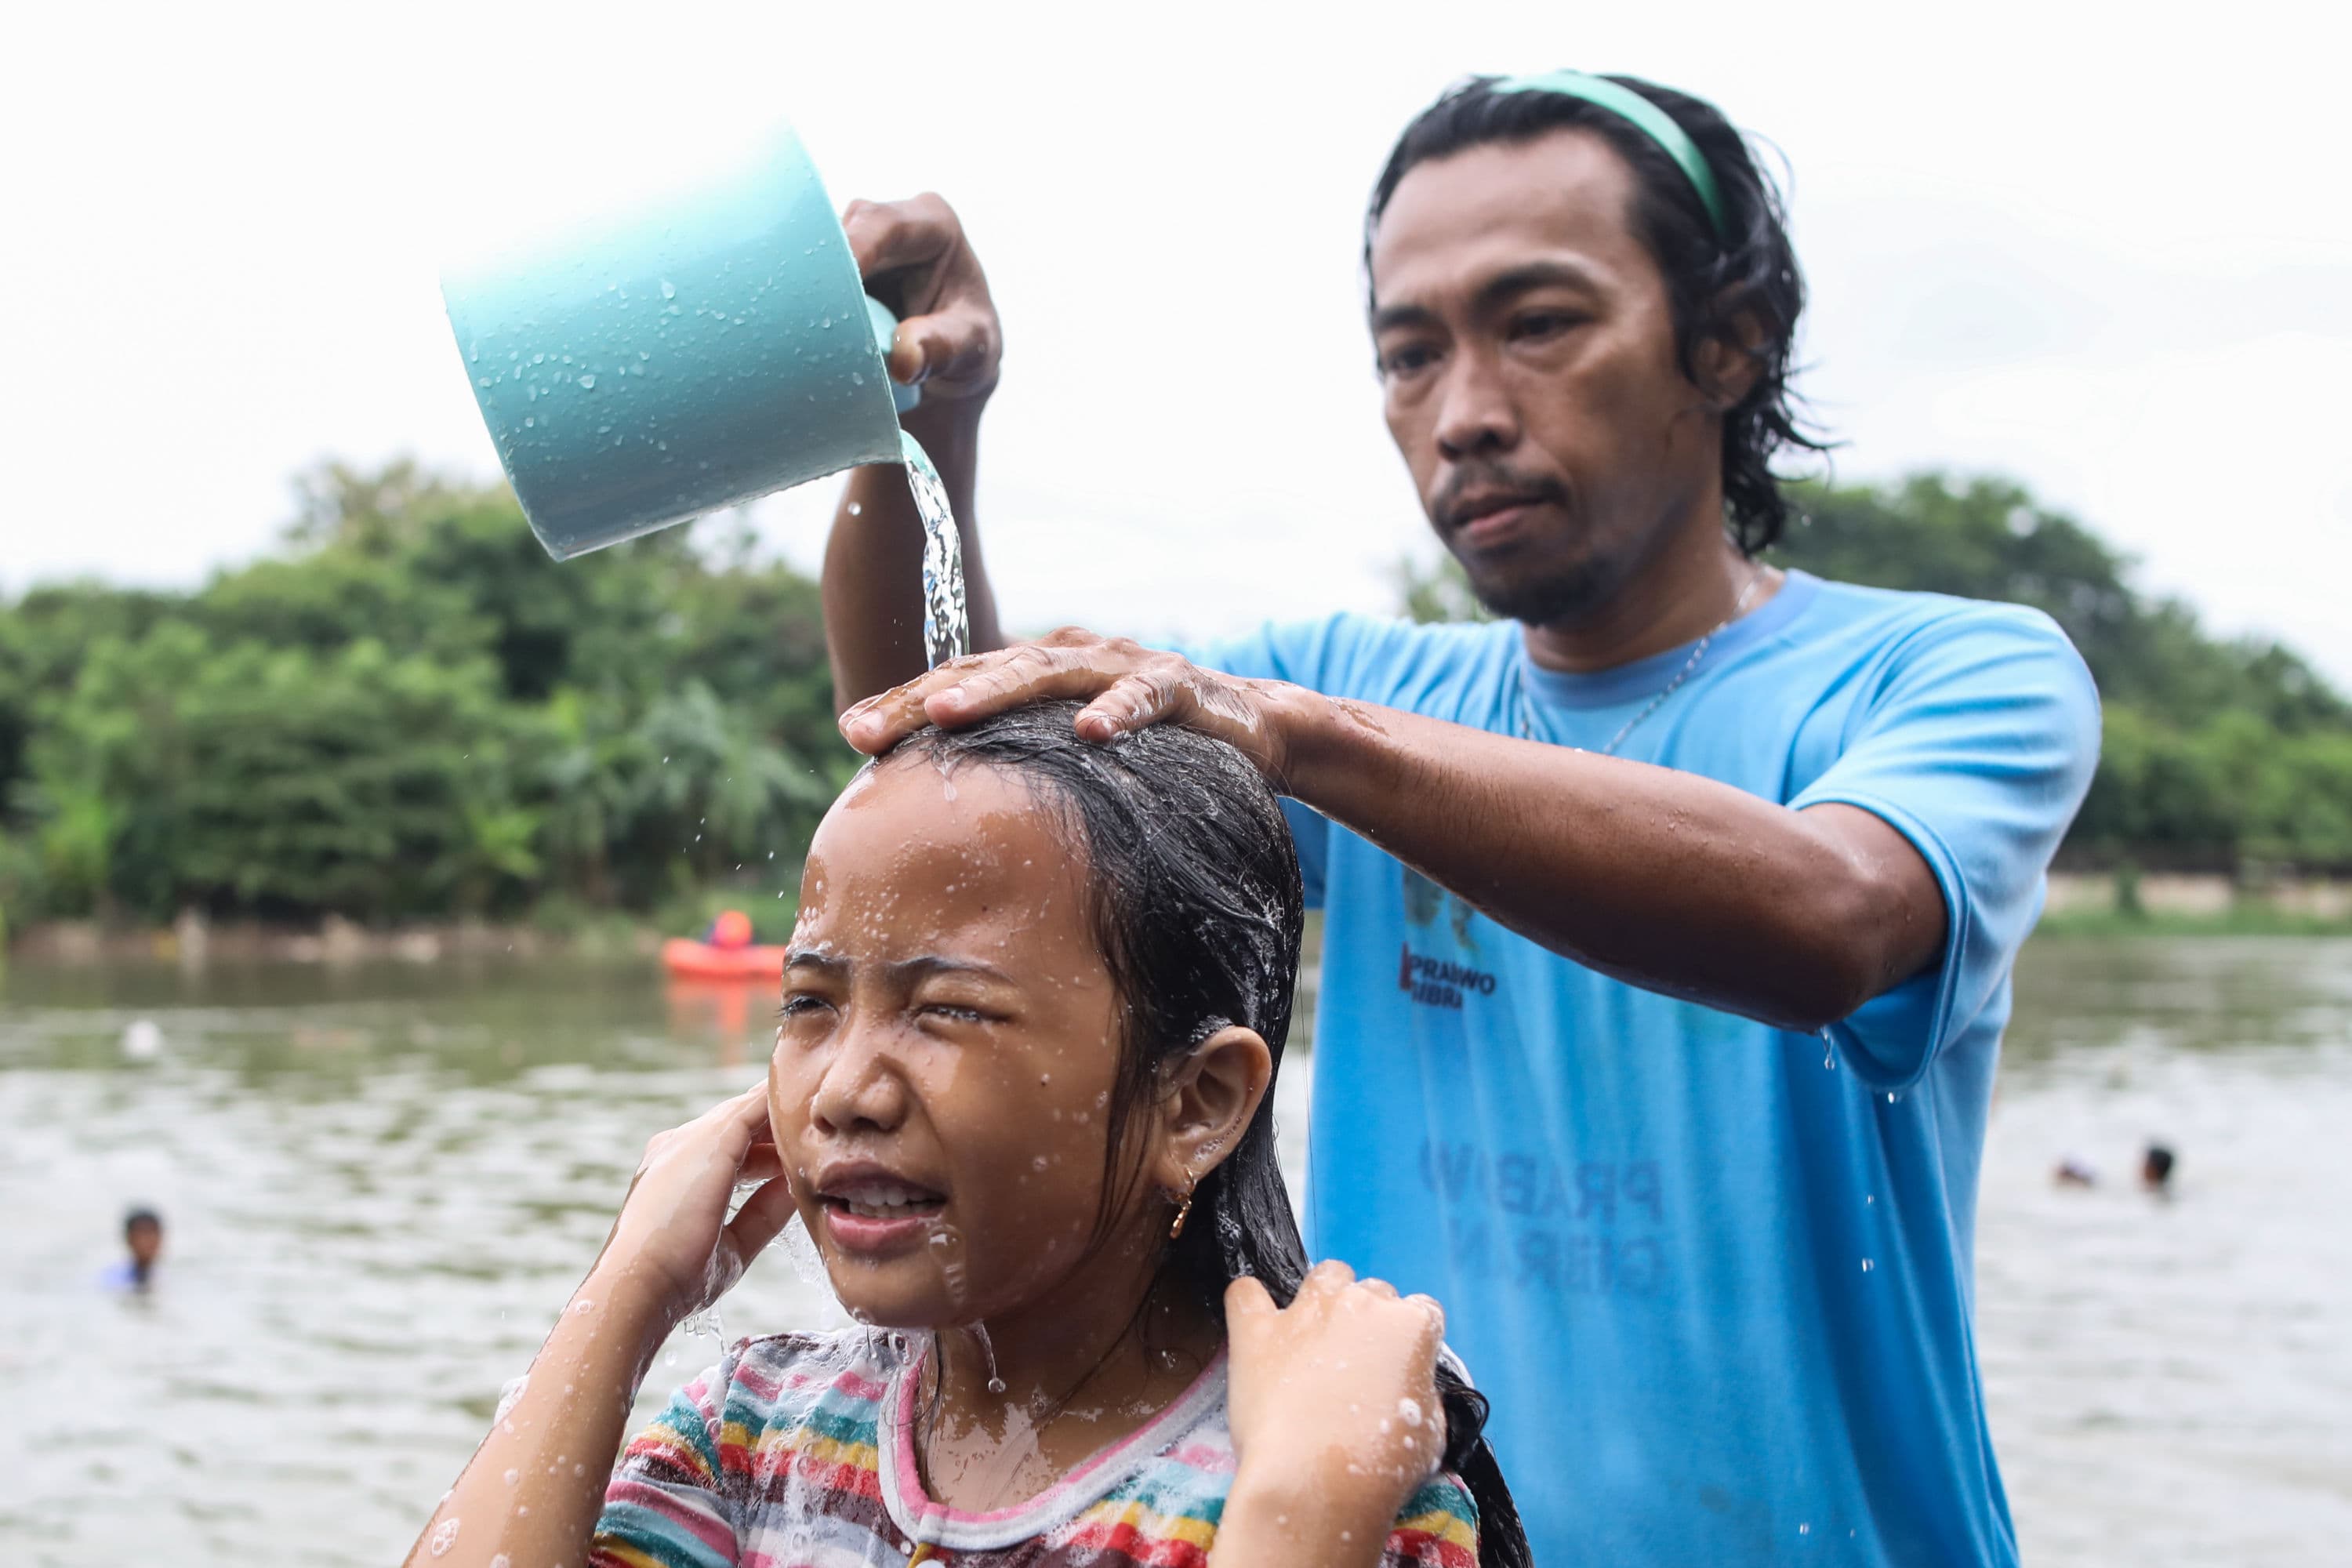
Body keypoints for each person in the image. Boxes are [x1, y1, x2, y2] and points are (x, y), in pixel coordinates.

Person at [821, 71, 2101, 1566]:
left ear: (1730, 342)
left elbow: (1834, 917)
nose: (1465, 414)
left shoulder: (1951, 673)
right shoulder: (1344, 692)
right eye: (1409, 354)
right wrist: (918, 413)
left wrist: (1297, 739)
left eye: (1540, 324)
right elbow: (951, 778)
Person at [406, 704, 1528, 1568]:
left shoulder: (1333, 1478)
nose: (845, 1089)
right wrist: (630, 1293)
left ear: (1196, 1104)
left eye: (948, 1009)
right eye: (809, 1003)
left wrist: (1293, 1522)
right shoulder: (755, 1436)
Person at [101, 1207, 164, 1291]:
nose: (150, 1240)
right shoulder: (109, 1279)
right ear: (129, 1239)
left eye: (154, 1233)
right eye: (144, 1233)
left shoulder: (165, 1277)